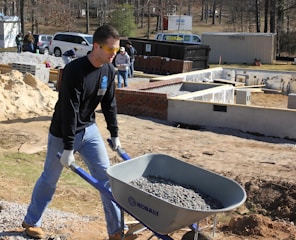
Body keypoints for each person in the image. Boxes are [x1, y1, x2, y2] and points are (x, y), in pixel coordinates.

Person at [22, 25, 136, 240]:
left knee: (106, 179)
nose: (115, 54)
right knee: (50, 178)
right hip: (62, 132)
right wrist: (68, 148)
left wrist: (114, 133)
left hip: (89, 130)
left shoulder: (109, 70)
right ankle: (31, 221)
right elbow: (69, 109)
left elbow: (109, 104)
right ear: (96, 46)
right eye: (110, 50)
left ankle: (116, 232)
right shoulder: (75, 71)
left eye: (117, 50)